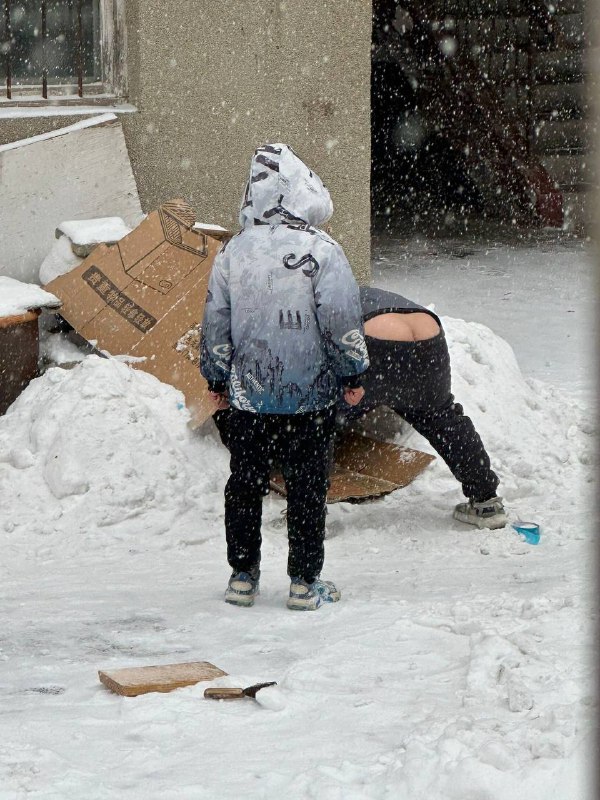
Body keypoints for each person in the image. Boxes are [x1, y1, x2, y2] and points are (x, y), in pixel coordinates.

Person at [200, 144, 369, 611]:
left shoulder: (234, 251)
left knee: (245, 483)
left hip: (249, 398)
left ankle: (242, 576)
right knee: (307, 488)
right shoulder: (322, 250)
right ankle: (303, 582)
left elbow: (216, 321)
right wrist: (351, 372)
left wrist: (216, 378)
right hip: (309, 397)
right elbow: (340, 318)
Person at [336, 285, 507, 530]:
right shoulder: (356, 291)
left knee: (319, 418)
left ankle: (307, 511)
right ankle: (486, 501)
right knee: (442, 418)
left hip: (375, 339)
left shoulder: (321, 302)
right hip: (427, 333)